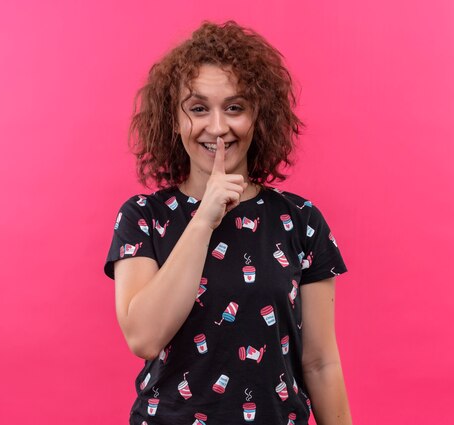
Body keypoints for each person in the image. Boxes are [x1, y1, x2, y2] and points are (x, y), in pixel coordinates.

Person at [104, 21, 352, 425]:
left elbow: (321, 363)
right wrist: (204, 218)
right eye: (198, 108)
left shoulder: (301, 221)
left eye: (234, 107)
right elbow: (144, 337)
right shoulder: (142, 218)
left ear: (258, 117)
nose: (217, 128)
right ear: (174, 119)